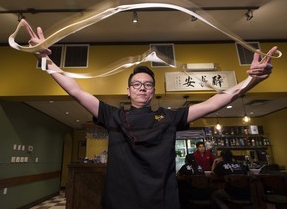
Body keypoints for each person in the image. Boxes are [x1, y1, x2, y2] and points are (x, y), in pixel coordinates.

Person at [28, 26, 277, 209]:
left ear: (153, 91)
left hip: (162, 202)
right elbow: (75, 89)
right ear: (128, 90)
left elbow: (218, 100)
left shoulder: (169, 117)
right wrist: (44, 59)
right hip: (119, 203)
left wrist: (253, 79)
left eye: (147, 84)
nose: (142, 87)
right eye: (136, 84)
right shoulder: (113, 116)